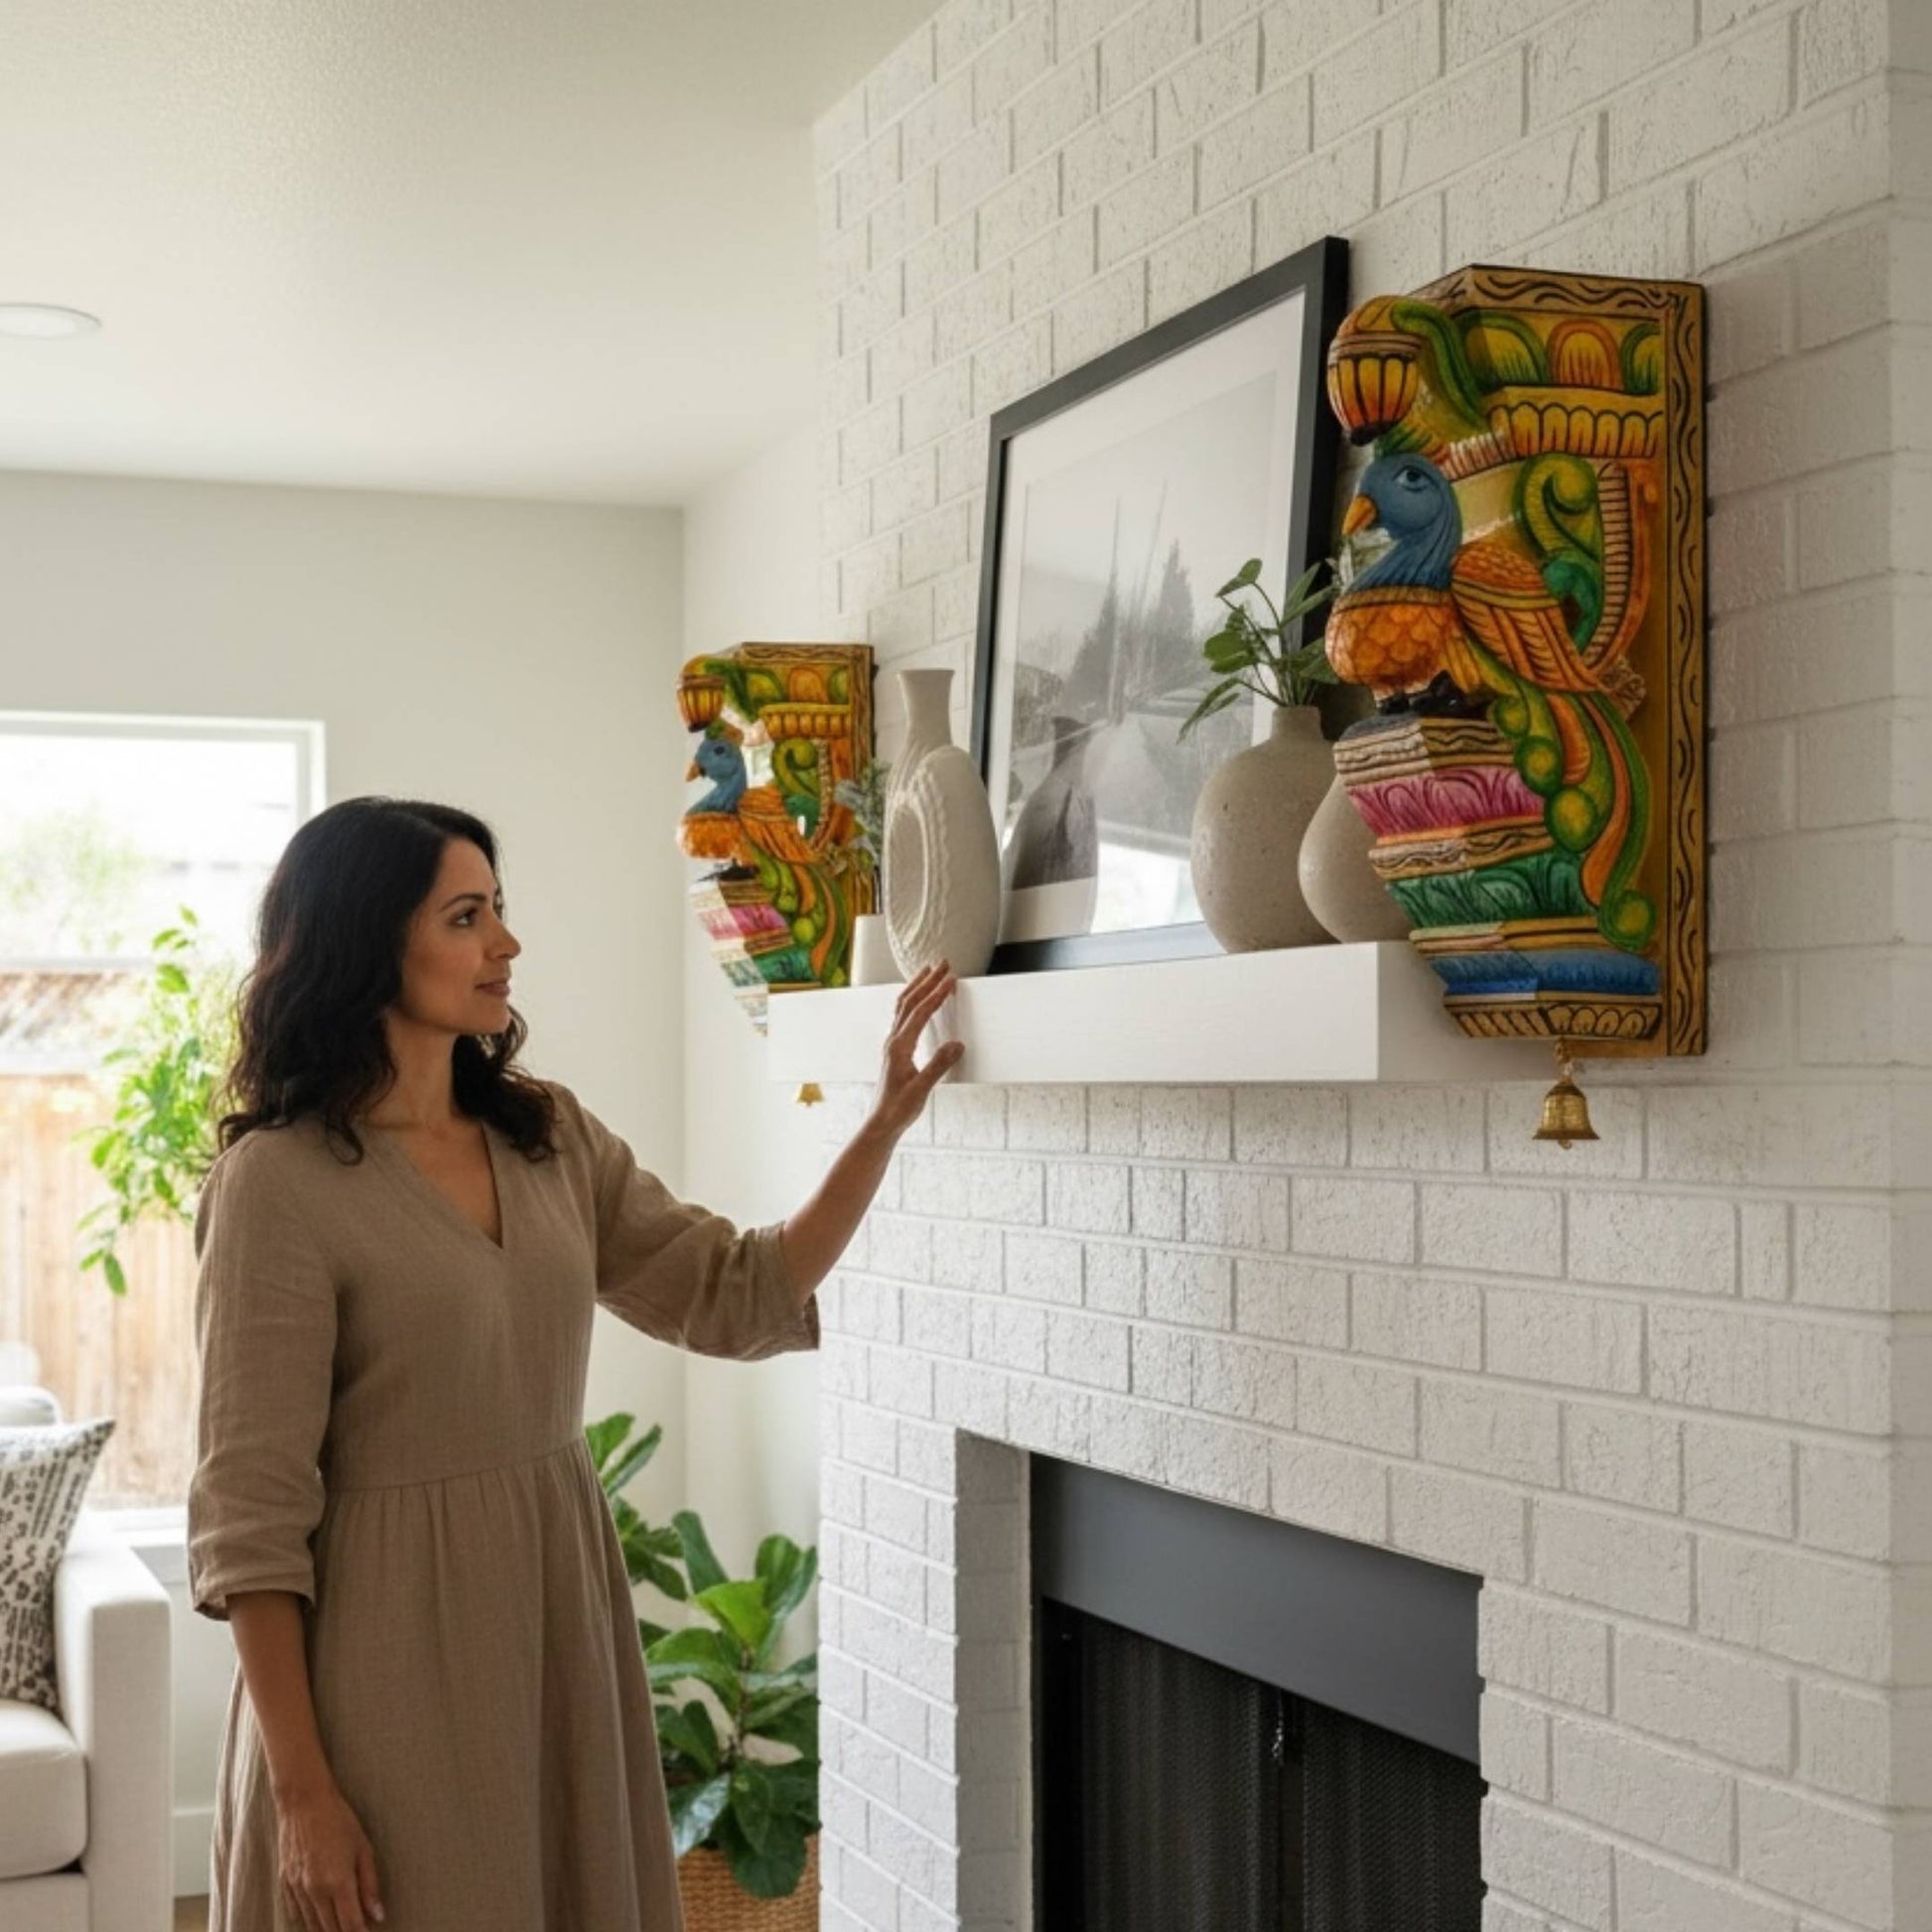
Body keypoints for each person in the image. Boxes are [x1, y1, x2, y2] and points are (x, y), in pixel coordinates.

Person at [186, 795, 964, 1932]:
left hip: (553, 1621)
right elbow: (249, 1516)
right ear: (367, 940)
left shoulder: (546, 1135)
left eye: (497, 909)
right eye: (466, 915)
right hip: (380, 1663)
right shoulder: (278, 1184)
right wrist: (304, 1792)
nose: (505, 942)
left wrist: (882, 1121)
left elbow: (737, 1287)